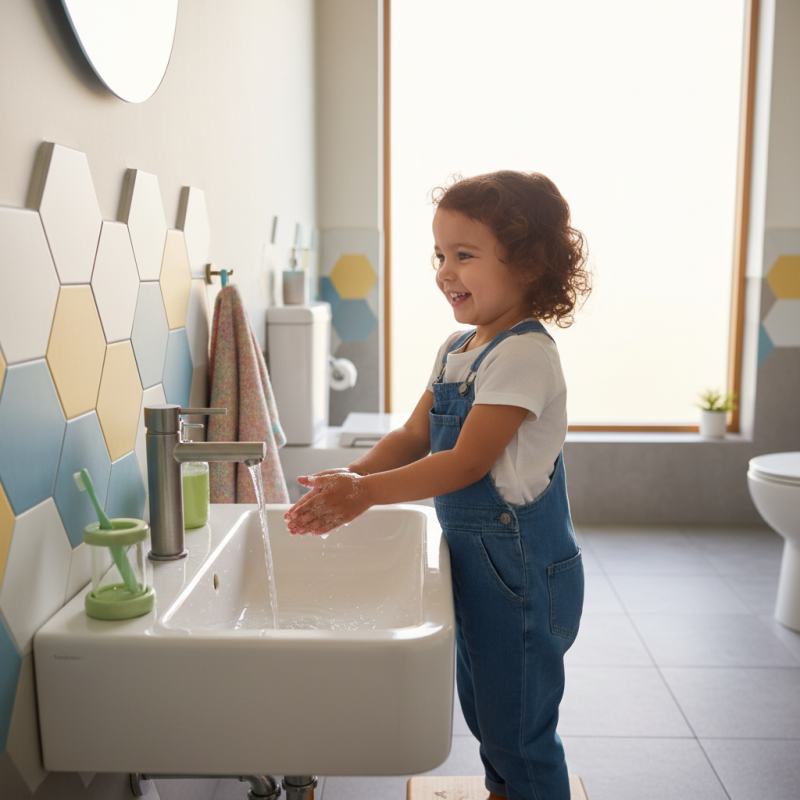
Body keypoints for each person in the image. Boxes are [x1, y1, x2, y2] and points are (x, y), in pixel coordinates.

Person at [285, 170, 591, 800]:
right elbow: (414, 434)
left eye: (465, 255)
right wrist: (353, 476)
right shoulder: (459, 347)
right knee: (487, 711)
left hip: (523, 577)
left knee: (520, 729)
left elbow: (466, 463)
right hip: (484, 572)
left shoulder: (525, 355)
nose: (446, 271)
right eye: (440, 255)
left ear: (528, 263)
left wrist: (365, 495)